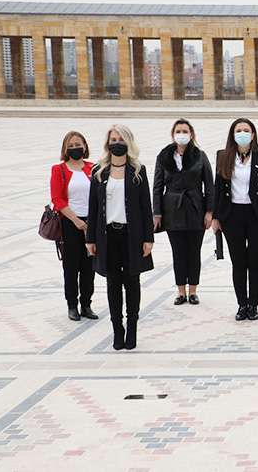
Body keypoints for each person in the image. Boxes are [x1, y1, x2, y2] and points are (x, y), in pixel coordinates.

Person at [85, 125, 154, 351]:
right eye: (113, 139)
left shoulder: (138, 170)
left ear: (128, 142)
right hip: (108, 236)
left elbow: (145, 206)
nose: (117, 143)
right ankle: (117, 329)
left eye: (121, 139)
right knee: (112, 284)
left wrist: (148, 238)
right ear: (108, 143)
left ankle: (132, 328)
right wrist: (90, 239)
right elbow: (93, 208)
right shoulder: (99, 171)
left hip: (131, 236)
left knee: (132, 282)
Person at [211, 118, 258, 322]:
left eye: (246, 130)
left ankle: (253, 304)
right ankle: (242, 304)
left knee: (254, 262)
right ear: (233, 134)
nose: (242, 133)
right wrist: (215, 216)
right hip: (232, 216)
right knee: (238, 262)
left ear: (253, 134)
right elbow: (217, 187)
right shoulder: (223, 155)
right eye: (238, 130)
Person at [152, 119, 214, 306]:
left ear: (191, 134)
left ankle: (193, 290)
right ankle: (180, 291)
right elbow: (157, 186)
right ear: (173, 134)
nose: (182, 134)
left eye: (185, 131)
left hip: (195, 208)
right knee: (178, 252)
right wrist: (157, 213)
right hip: (173, 210)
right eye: (178, 131)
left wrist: (209, 211)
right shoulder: (164, 156)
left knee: (194, 251)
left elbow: (209, 185)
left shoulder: (200, 156)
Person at [50, 131, 97, 321]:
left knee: (89, 267)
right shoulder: (58, 169)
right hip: (69, 223)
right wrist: (76, 220)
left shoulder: (94, 168)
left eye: (78, 144)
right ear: (65, 149)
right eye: (71, 145)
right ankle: (72, 305)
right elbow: (57, 199)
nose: (75, 148)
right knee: (71, 267)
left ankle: (86, 304)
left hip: (91, 223)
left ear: (85, 146)